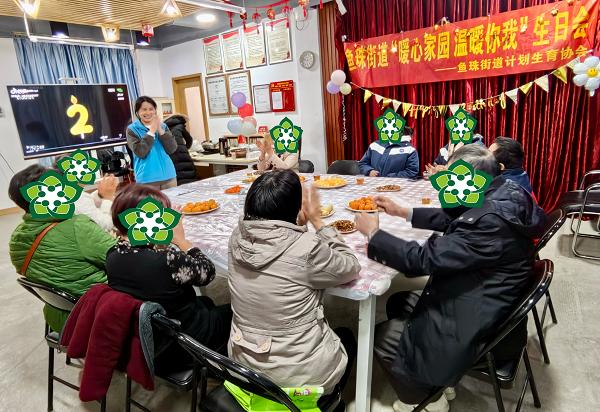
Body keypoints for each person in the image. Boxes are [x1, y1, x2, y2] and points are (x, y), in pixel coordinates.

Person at [354, 145, 546, 412]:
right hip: (488, 295)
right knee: (399, 302)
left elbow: (421, 260)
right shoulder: (505, 191)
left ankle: (429, 401)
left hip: (480, 322)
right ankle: (434, 381)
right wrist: (403, 212)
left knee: (382, 336)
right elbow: (459, 217)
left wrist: (374, 235)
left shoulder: (489, 224)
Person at [228, 170, 360, 401]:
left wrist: (297, 226)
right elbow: (350, 266)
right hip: (296, 380)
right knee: (348, 336)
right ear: (297, 209)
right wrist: (318, 223)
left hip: (244, 367)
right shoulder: (307, 247)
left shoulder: (236, 237)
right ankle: (330, 402)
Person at [107, 184, 231, 356]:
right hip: (185, 340)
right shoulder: (168, 261)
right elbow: (207, 272)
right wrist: (181, 241)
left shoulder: (113, 254)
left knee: (206, 302)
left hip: (152, 336)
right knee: (236, 311)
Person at [8, 165, 117, 332]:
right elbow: (123, 260)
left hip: (59, 318)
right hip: (96, 317)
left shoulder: (17, 238)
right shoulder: (77, 226)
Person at [53, 155, 119, 231]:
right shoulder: (79, 198)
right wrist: (107, 198)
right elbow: (107, 225)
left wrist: (100, 193)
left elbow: (86, 207)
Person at [126, 96, 178, 189]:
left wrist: (160, 130)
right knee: (150, 200)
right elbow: (140, 152)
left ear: (155, 111)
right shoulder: (132, 129)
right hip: (147, 179)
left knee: (172, 199)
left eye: (151, 109)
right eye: (144, 109)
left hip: (169, 176)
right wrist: (151, 131)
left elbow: (172, 149)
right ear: (137, 112)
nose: (148, 112)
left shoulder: (163, 126)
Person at [164, 114, 199, 185]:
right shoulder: (180, 126)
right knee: (188, 176)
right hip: (182, 154)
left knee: (178, 176)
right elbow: (189, 140)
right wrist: (184, 148)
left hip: (170, 155)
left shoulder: (164, 126)